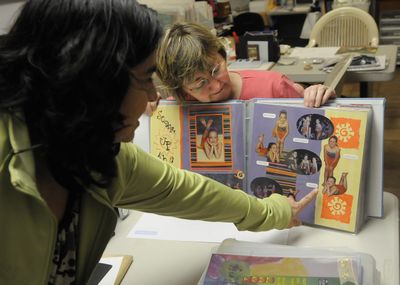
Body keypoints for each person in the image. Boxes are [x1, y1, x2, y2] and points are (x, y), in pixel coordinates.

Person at [0, 1, 318, 284]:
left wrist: (275, 210)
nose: (155, 98)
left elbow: (184, 190)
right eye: (145, 79)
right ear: (97, 82)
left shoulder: (103, 153)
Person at [155, 22, 336, 110]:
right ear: (184, 91)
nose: (217, 85)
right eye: (200, 83)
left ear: (222, 54)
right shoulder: (178, 107)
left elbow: (317, 116)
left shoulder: (274, 86)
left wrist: (323, 98)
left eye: (216, 70)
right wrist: (149, 109)